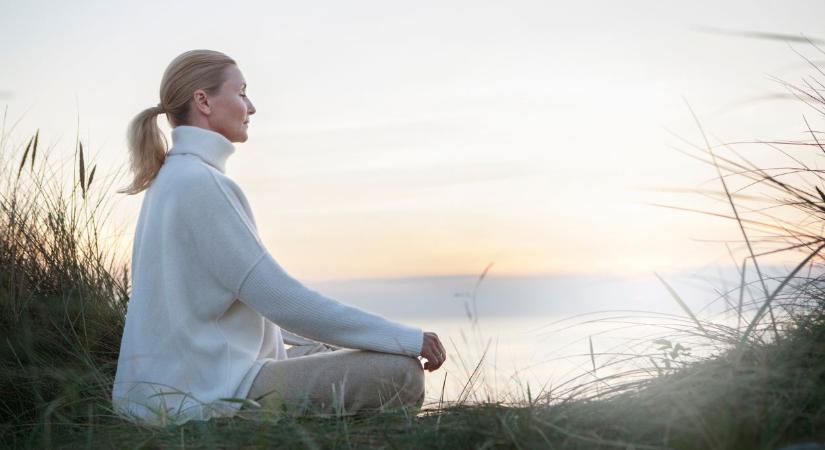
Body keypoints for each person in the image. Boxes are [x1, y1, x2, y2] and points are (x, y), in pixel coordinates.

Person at [111, 49, 447, 426]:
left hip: (175, 389)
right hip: (207, 396)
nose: (250, 107)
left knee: (327, 348)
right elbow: (280, 299)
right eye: (241, 93)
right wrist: (406, 338)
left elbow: (242, 301)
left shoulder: (171, 180)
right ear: (203, 101)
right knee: (399, 372)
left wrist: (334, 344)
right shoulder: (201, 184)